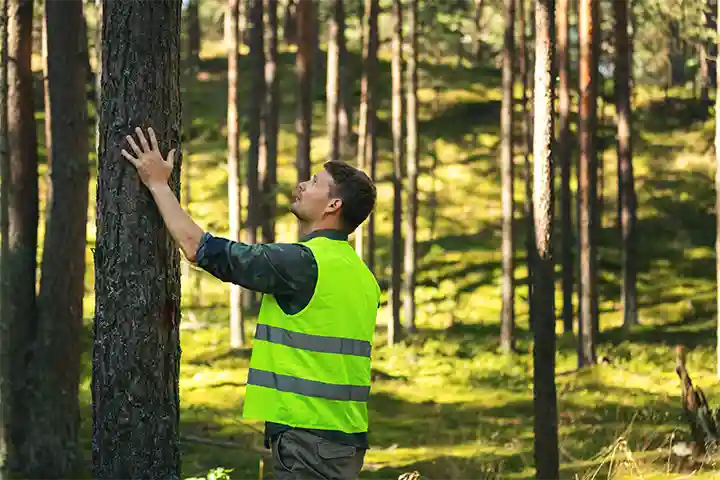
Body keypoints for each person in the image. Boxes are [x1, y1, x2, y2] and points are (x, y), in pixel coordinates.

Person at [121, 127, 380, 480]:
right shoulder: (360, 275)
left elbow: (201, 248)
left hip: (309, 441)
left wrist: (158, 184)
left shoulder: (304, 263)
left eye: (315, 182)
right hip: (343, 440)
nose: (302, 184)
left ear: (334, 205)